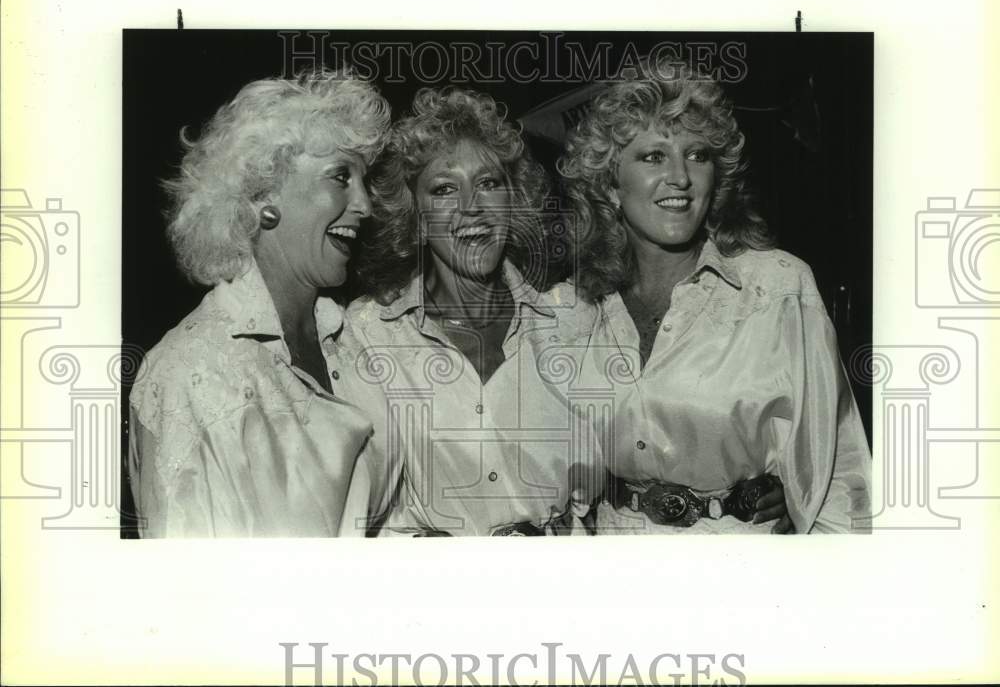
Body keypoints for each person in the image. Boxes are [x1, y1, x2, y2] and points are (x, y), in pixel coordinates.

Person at [558, 56, 872, 534]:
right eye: (652, 156)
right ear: (610, 184)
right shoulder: (575, 309)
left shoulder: (779, 287)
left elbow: (842, 482)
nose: (680, 177)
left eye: (698, 155)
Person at [128, 69, 391, 537]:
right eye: (340, 177)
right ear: (264, 196)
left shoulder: (353, 340)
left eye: (363, 180)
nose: (366, 205)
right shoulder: (191, 373)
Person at [333, 86, 604, 536]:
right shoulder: (366, 336)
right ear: (417, 219)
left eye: (488, 183)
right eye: (444, 189)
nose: (472, 207)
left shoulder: (573, 320)